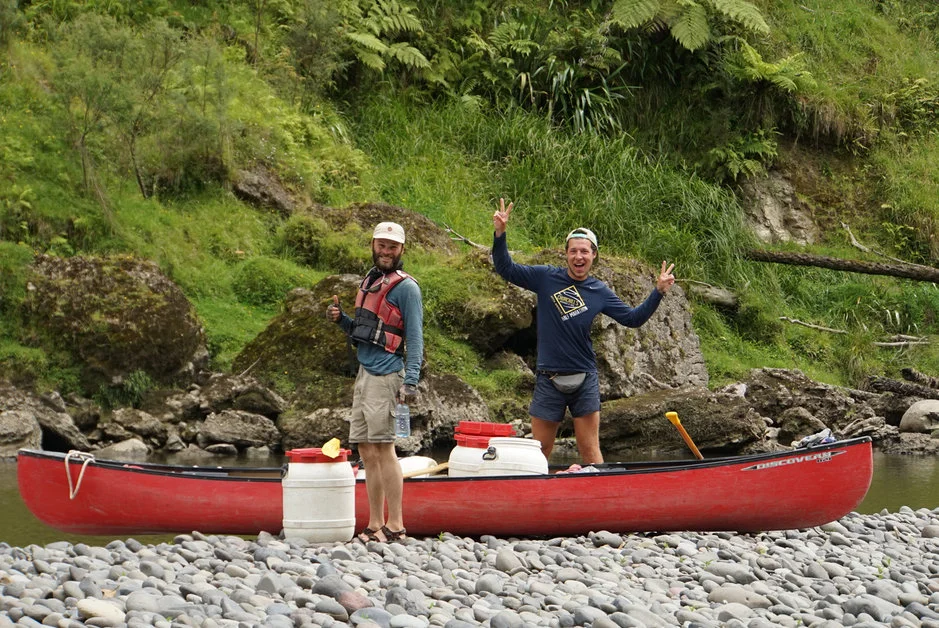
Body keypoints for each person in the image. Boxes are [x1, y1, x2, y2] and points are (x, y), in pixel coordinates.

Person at [491, 198, 675, 464]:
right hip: (548, 377)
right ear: (566, 254)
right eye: (573, 251)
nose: (579, 256)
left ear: (593, 255)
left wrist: (657, 292)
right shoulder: (545, 277)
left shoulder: (599, 291)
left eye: (585, 252)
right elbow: (505, 268)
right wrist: (500, 233)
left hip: (584, 378)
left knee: (589, 452)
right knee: (538, 454)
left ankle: (600, 500)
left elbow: (633, 318)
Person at [326, 221, 423, 543]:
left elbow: (415, 338)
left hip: (388, 375)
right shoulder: (370, 280)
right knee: (366, 449)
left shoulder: (407, 288)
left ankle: (396, 525)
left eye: (392, 247)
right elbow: (364, 332)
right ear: (373, 245)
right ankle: (374, 524)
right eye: (381, 245)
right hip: (365, 373)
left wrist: (410, 381)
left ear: (401, 250)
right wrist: (342, 321)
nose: (386, 251)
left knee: (384, 448)